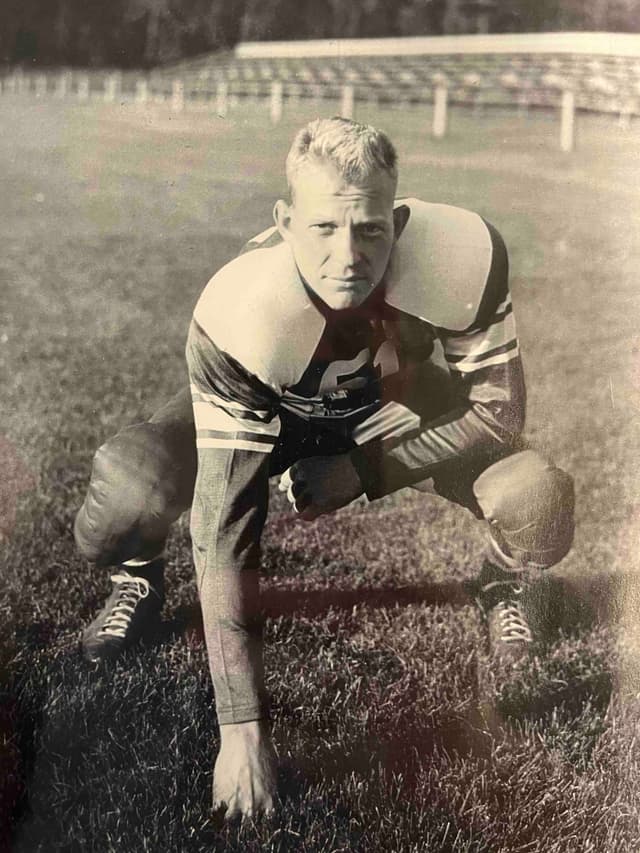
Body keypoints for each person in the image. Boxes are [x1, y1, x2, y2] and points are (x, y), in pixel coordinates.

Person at [75, 117, 574, 819]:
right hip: (271, 405)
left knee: (537, 495)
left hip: (385, 403)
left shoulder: (461, 254)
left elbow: (497, 412)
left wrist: (364, 469)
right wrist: (242, 733)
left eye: (370, 229)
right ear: (284, 221)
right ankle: (137, 577)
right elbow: (225, 529)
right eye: (323, 229)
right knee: (132, 483)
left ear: (397, 219)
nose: (349, 255)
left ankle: (499, 581)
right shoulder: (245, 308)